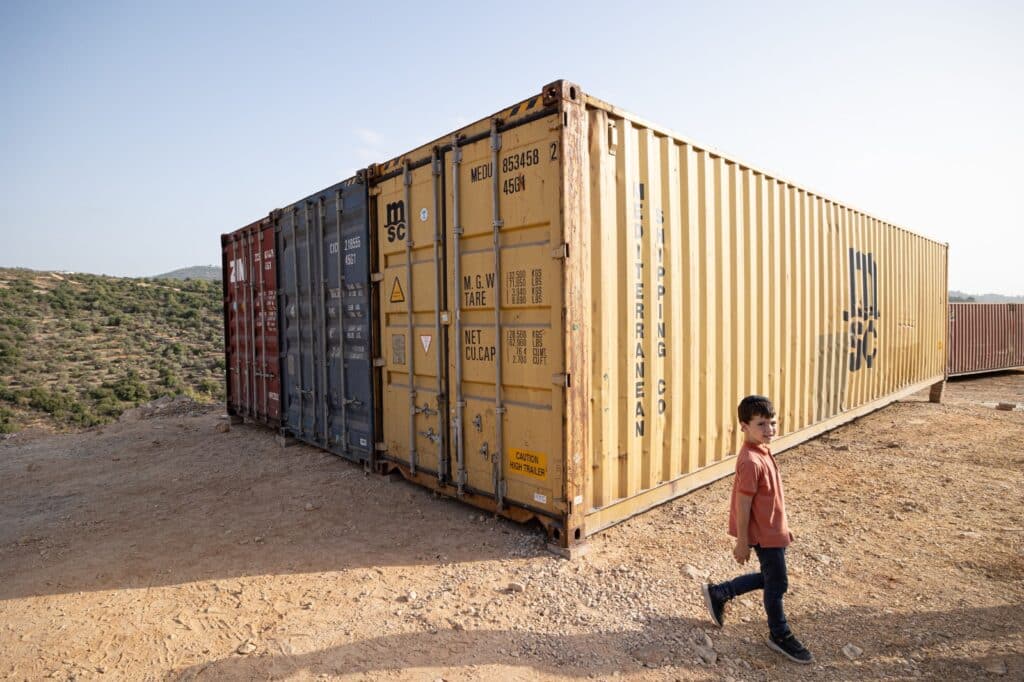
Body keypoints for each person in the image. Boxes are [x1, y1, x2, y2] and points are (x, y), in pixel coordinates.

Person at [701, 395, 814, 664]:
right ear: (744, 426)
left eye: (772, 422)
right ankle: (779, 634)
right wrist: (742, 542)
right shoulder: (751, 461)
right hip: (765, 534)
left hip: (774, 529)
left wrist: (782, 527)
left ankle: (720, 592)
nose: (769, 429)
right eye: (761, 424)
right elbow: (743, 504)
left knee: (772, 577)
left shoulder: (762, 450)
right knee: (777, 583)